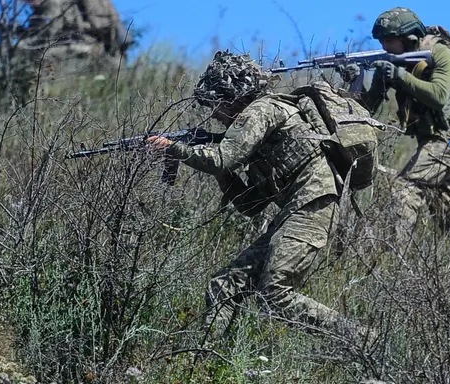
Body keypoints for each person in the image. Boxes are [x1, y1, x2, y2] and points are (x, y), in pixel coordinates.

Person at [145, 50, 356, 342]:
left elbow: (223, 158)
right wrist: (217, 169)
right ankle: (202, 359)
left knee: (274, 293)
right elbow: (249, 205)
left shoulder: (262, 109)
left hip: (312, 205)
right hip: (295, 212)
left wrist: (175, 149)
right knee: (225, 285)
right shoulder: (261, 135)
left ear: (231, 96)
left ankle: (361, 341)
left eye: (216, 106)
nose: (215, 117)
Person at [356, 7, 450, 242]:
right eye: (381, 41)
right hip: (431, 141)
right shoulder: (391, 63)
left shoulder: (439, 52)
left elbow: (438, 96)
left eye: (389, 40)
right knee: (447, 211)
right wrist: (355, 81)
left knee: (405, 186)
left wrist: (400, 76)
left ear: (409, 38)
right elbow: (368, 108)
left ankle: (393, 254)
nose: (385, 47)